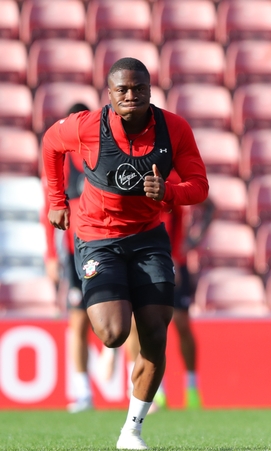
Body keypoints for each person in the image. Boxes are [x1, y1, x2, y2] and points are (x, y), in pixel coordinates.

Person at [42, 57, 208, 450]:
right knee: (114, 333)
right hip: (98, 236)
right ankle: (114, 316)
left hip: (149, 238)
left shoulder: (174, 128)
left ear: (150, 90)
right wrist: (56, 198)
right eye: (123, 90)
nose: (132, 95)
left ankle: (131, 432)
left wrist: (168, 193)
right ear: (110, 94)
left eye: (139, 88)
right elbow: (50, 143)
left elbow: (199, 186)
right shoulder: (86, 126)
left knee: (154, 334)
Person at [123, 193, 212, 412]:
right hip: (140, 260)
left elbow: (206, 205)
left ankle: (192, 388)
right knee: (137, 324)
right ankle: (150, 390)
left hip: (171, 261)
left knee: (181, 323)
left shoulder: (172, 181)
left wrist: (190, 242)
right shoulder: (129, 179)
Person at [41, 103, 97, 413]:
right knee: (78, 321)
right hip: (76, 251)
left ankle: (134, 385)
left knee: (121, 319)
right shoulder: (64, 164)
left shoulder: (103, 157)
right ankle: (83, 392)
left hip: (105, 247)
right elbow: (48, 208)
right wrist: (51, 254)